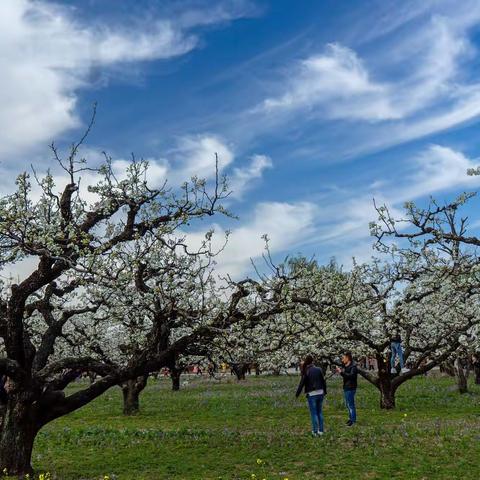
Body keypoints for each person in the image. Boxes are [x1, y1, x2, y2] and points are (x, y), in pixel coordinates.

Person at [295, 354, 327, 437]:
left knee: (314, 413)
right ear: (313, 361)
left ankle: (315, 431)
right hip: (320, 393)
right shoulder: (319, 369)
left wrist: (297, 394)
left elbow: (302, 383)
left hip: (312, 394)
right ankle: (321, 431)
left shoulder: (306, 371)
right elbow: (323, 381)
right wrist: (325, 391)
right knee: (319, 412)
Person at [336, 351, 358, 427]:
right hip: (346, 387)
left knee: (350, 404)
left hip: (351, 387)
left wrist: (341, 372)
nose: (342, 360)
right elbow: (346, 376)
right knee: (348, 404)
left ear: (348, 358)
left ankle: (353, 420)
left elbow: (351, 376)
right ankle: (350, 419)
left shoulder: (353, 367)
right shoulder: (346, 366)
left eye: (343, 358)